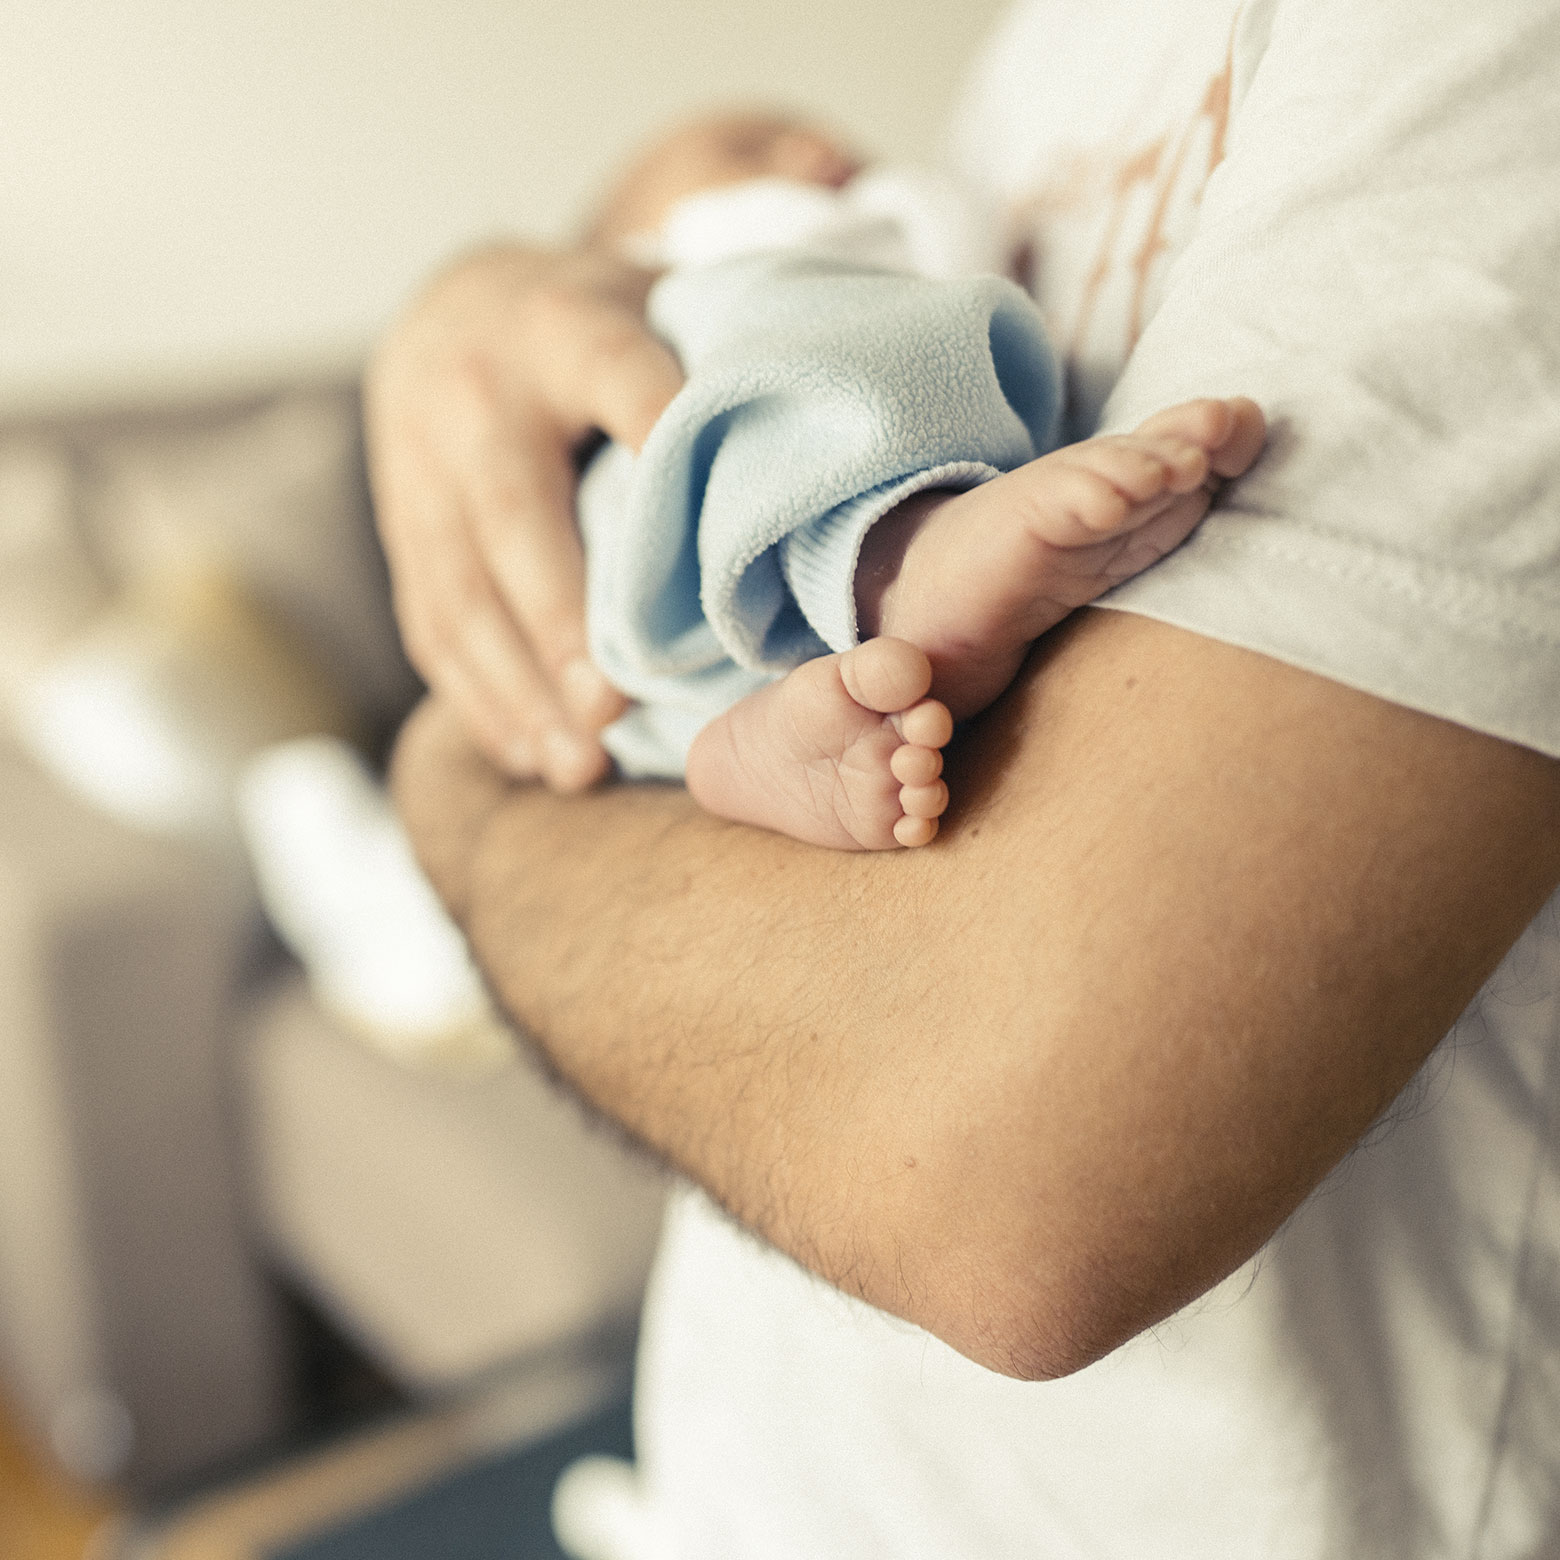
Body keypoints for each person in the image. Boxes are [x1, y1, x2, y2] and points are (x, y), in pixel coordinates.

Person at [369, 0, 1560, 1553]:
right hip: (752, 1480)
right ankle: (824, 651)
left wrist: (456, 802)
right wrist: (469, 307)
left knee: (793, 350)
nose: (803, 151)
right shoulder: (1040, 52)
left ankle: (882, 569)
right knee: (756, 416)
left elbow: (1009, 1186)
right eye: (731, 149)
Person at [512, 113, 1268, 850]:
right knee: (807, 329)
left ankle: (743, 748)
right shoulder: (702, 275)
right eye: (746, 149)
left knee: (847, 683)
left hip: (676, 681)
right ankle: (906, 562)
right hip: (656, 554)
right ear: (628, 247)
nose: (815, 147)